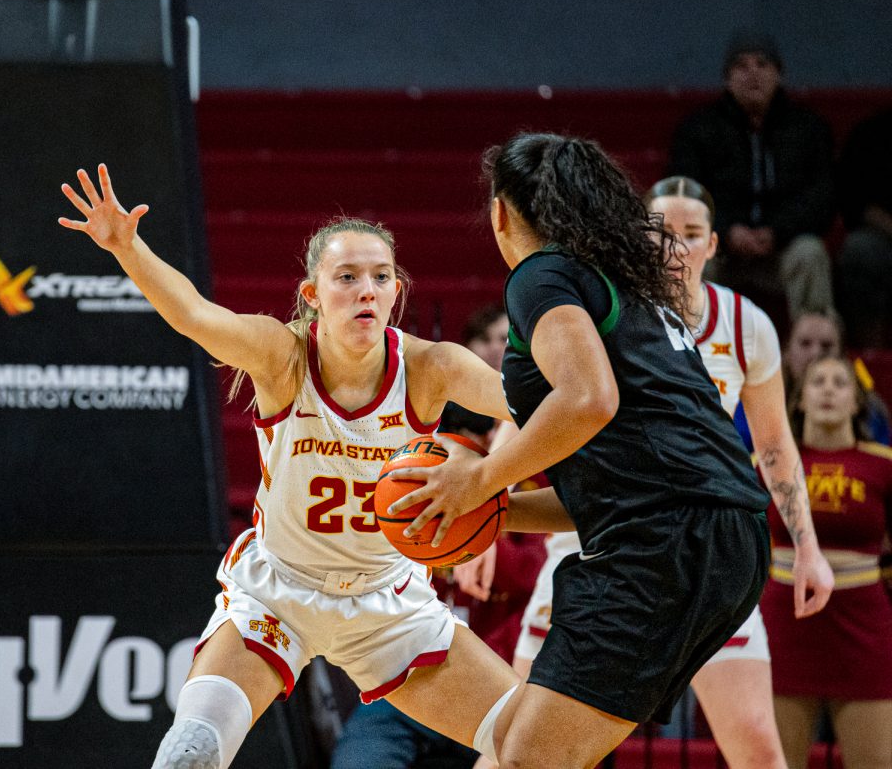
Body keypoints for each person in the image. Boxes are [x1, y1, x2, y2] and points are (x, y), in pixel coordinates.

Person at [59, 166, 573, 769]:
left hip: (390, 604)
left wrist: (497, 474)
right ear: (312, 294)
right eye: (347, 277)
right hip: (279, 593)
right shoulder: (281, 357)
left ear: (396, 292)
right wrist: (127, 244)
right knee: (190, 753)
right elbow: (195, 316)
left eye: (381, 278)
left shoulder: (434, 367)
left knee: (537, 751)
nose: (366, 290)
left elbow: (549, 408)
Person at [385, 133, 780, 767]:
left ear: (501, 213)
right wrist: (500, 512)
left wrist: (480, 479)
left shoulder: (541, 276)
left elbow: (589, 399)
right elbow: (621, 479)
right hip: (726, 535)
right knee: (522, 749)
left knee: (525, 758)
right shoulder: (632, 291)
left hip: (663, 542)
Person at [469, 175, 834, 768]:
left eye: (691, 234)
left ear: (714, 245)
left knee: (757, 748)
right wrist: (487, 499)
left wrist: (808, 545)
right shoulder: (599, 300)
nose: (675, 244)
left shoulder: (746, 325)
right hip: (593, 538)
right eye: (661, 229)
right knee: (523, 740)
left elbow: (775, 446)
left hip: (696, 540)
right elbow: (531, 407)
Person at [328, 404, 545, 769]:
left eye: (463, 446)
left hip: (493, 683)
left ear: (488, 444)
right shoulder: (402, 488)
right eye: (440, 447)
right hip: (411, 684)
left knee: (532, 749)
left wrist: (483, 528)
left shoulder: (523, 495)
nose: (447, 466)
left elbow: (535, 579)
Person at [763, 356, 892, 769]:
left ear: (857, 403)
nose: (829, 389)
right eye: (818, 381)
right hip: (785, 617)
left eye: (841, 383)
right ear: (799, 400)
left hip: (864, 623)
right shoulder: (765, 464)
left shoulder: (884, 466)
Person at [667, 30, 834, 324]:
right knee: (691, 255)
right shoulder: (698, 129)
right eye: (741, 66)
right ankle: (691, 354)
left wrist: (777, 231)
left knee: (810, 254)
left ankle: (813, 355)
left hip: (784, 247)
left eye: (762, 64)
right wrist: (728, 230)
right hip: (720, 247)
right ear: (727, 78)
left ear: (779, 74)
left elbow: (822, 196)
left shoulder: (808, 129)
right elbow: (684, 195)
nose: (752, 73)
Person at [734, 311, 892, 449]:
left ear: (843, 354)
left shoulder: (870, 409)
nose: (815, 353)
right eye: (805, 343)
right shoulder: (751, 405)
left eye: (827, 346)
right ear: (786, 351)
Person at [836, 106, 892, 349]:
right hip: (884, 239)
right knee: (860, 250)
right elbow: (854, 201)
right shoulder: (873, 133)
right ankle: (870, 356)